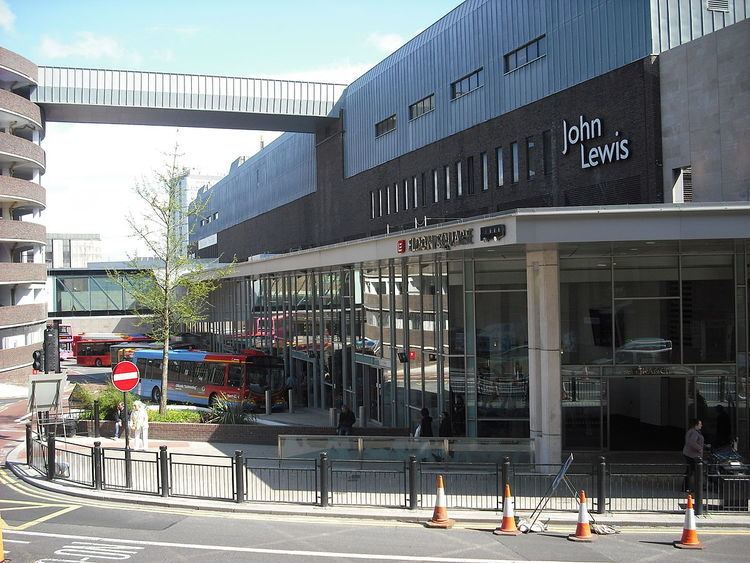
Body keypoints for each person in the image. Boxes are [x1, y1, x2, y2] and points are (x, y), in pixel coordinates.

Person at [682, 418, 704, 493]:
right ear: (696, 425)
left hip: (689, 454)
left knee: (690, 471)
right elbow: (692, 442)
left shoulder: (692, 431)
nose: (701, 425)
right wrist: (700, 448)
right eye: (700, 424)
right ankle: (689, 487)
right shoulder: (694, 432)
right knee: (692, 471)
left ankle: (688, 487)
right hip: (692, 455)